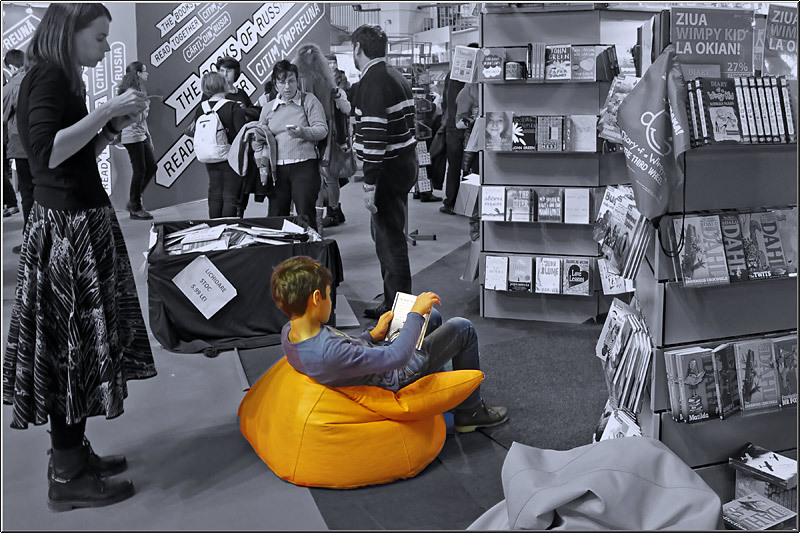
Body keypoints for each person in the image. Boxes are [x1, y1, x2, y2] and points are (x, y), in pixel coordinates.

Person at [4, 2, 157, 511]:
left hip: (77, 222)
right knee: (71, 349)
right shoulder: (47, 77)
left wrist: (110, 126)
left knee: (81, 348)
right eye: (99, 37)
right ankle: (67, 473)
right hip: (67, 230)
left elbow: (73, 155)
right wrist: (108, 112)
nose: (105, 47)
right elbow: (46, 152)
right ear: (69, 33)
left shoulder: (61, 79)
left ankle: (71, 456)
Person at [271, 256, 509, 433]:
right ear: (316, 298)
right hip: (396, 374)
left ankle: (436, 384)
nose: (330, 301)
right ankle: (470, 412)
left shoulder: (291, 332)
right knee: (463, 328)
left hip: (375, 360)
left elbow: (345, 348)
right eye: (328, 294)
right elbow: (397, 358)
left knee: (433, 317)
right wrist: (415, 313)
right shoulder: (328, 353)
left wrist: (372, 335)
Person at [350, 25, 418, 319]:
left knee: (390, 243)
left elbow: (375, 137)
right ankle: (392, 304)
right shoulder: (394, 76)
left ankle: (399, 314)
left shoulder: (373, 82)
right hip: (402, 164)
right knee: (387, 238)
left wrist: (369, 184)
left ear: (357, 48)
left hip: (386, 171)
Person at [258, 59, 328, 230]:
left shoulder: (309, 101)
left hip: (304, 166)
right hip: (277, 170)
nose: (287, 86)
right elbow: (261, 138)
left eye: (291, 81)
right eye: (282, 82)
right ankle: (281, 247)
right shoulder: (268, 108)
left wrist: (302, 132)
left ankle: (309, 245)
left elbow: (322, 130)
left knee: (305, 214)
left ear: (297, 80)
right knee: (276, 216)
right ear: (275, 84)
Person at [292, 43, 352, 228]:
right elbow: (346, 109)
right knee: (325, 175)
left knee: (324, 175)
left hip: (318, 132)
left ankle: (326, 214)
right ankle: (327, 213)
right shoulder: (324, 82)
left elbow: (346, 108)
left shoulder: (322, 83)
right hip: (320, 132)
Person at [194, 71, 249, 218]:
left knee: (215, 193)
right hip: (230, 157)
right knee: (230, 195)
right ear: (223, 85)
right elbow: (241, 135)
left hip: (209, 155)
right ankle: (227, 227)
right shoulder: (233, 107)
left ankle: (214, 227)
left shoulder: (201, 108)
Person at [439, 42, 479, 216]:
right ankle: (466, 204)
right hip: (468, 125)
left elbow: (444, 99)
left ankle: (450, 203)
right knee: (470, 165)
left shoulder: (452, 74)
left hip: (452, 125)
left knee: (454, 166)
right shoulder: (474, 75)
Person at [118, 61, 156, 220]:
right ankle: (135, 207)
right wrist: (145, 106)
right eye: (144, 71)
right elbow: (135, 118)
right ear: (138, 74)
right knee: (140, 170)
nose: (147, 74)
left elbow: (142, 121)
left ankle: (134, 201)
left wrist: (148, 137)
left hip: (140, 135)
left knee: (151, 167)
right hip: (131, 136)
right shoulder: (130, 94)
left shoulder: (139, 91)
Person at [3, 49, 32, 255]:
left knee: (28, 194)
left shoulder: (13, 85)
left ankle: (30, 241)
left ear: (12, 66)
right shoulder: (39, 78)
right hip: (44, 144)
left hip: (22, 146)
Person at [2, 49, 24, 219]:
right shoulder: (39, 79)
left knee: (28, 190)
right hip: (38, 140)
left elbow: (3, 114)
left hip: (18, 141)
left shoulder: (12, 86)